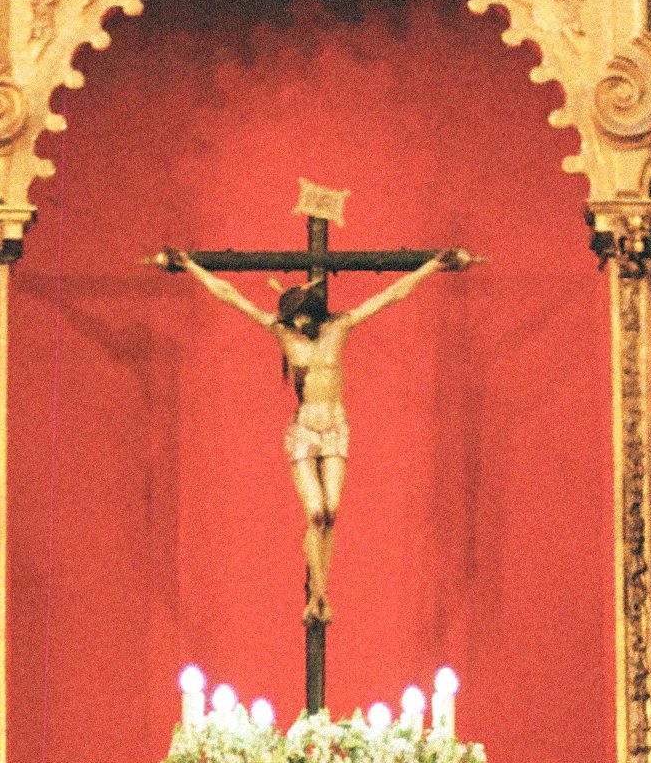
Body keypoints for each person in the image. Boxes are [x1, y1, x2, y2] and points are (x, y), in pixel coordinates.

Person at [162, 246, 467, 620]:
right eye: (294, 319)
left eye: (301, 318)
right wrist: (191, 267)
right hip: (305, 428)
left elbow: (391, 295)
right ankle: (318, 596)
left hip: (335, 426)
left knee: (333, 513)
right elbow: (230, 296)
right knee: (317, 513)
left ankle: (323, 592)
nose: (298, 325)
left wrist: (432, 267)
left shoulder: (339, 329)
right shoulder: (284, 335)